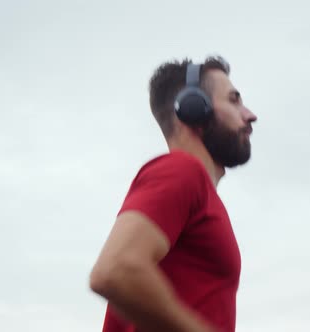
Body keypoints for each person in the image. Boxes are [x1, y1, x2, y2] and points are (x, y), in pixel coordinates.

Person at [89, 55, 258, 332]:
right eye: (233, 100)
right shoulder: (181, 171)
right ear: (195, 109)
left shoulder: (197, 189)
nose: (250, 115)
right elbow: (115, 270)